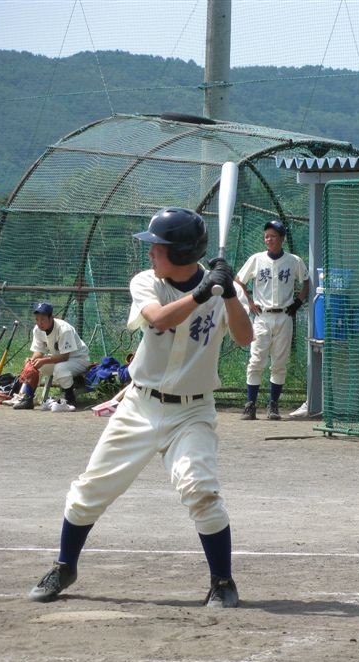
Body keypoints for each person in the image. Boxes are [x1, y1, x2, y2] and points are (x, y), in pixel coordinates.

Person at [26, 207, 254, 607]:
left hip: (193, 412)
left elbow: (245, 337)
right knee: (90, 489)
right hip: (139, 406)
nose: (150, 253)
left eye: (158, 247)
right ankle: (65, 565)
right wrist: (203, 292)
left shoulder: (225, 287)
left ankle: (222, 581)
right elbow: (160, 320)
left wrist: (231, 293)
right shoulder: (146, 282)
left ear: (182, 252)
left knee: (200, 489)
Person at [235, 219, 309, 421]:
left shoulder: (293, 260)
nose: (269, 239)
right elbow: (239, 281)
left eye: (273, 236)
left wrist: (299, 301)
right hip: (262, 315)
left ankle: (273, 405)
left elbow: (306, 281)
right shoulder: (257, 259)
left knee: (279, 362)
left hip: (284, 315)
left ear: (282, 238)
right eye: (267, 236)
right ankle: (250, 405)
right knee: (256, 360)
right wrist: (249, 301)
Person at [9, 302, 91, 410]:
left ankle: (70, 399)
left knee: (60, 368)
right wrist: (32, 361)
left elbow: (65, 357)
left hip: (78, 359)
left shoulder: (64, 329)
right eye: (37, 319)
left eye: (43, 319)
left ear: (51, 318)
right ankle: (28, 399)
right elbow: (39, 351)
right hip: (59, 359)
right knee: (33, 366)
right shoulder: (38, 330)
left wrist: (43, 360)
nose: (39, 322)